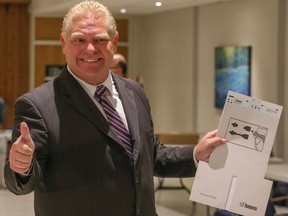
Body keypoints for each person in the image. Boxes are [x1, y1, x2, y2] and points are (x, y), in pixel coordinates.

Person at [4, 1, 226, 215]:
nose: (90, 49)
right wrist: (21, 166)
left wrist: (195, 154)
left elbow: (149, 155)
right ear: (63, 43)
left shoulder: (134, 92)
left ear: (114, 42)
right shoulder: (37, 105)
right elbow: (22, 183)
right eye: (79, 40)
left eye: (99, 39)